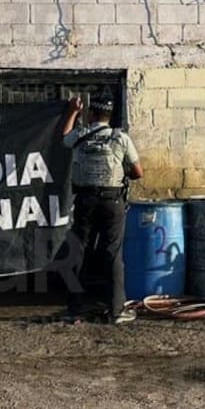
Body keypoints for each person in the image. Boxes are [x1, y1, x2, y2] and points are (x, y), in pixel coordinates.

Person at [61, 93, 143, 324]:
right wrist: (118, 170)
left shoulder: (81, 134)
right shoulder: (121, 138)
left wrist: (72, 112)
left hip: (85, 200)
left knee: (79, 250)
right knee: (112, 252)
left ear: (91, 113)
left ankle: (75, 308)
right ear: (109, 114)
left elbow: (64, 138)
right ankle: (116, 310)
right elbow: (138, 172)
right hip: (112, 201)